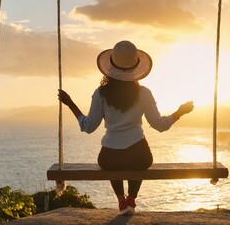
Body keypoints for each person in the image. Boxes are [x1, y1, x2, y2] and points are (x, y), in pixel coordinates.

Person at [58, 40, 194, 215]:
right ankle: (131, 199)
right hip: (140, 155)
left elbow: (88, 126)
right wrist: (180, 112)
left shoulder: (101, 94)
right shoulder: (144, 93)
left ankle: (122, 201)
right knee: (139, 163)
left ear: (110, 67)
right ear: (136, 69)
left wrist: (70, 103)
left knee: (115, 166)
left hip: (109, 158)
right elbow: (159, 125)